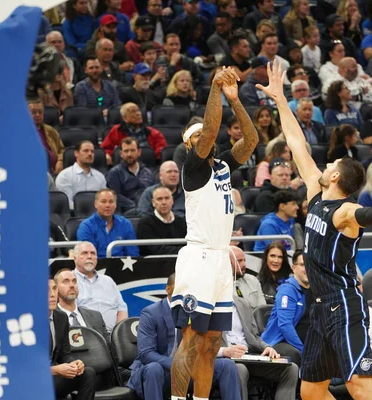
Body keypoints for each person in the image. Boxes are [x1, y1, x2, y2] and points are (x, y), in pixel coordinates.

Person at [256, 59, 372, 400]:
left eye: (330, 164)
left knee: (359, 384)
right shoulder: (316, 195)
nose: (324, 163)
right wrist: (281, 101)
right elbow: (297, 144)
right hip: (319, 307)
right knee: (312, 392)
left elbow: (368, 215)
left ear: (334, 177)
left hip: (343, 305)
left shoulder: (344, 211)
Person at [169, 67, 259, 400]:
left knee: (211, 342)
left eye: (204, 137)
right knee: (191, 339)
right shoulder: (192, 168)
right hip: (199, 255)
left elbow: (251, 141)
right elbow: (209, 130)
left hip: (221, 257)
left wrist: (234, 99)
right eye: (196, 138)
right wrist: (215, 87)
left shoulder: (222, 167)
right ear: (190, 146)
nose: (205, 140)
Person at [127, 273, 242, 400]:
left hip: (193, 368)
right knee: (153, 369)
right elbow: (146, 353)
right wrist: (178, 366)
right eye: (181, 287)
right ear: (168, 289)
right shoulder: (151, 313)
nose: (185, 292)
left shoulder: (198, 311)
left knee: (228, 366)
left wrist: (221, 352)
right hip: (163, 370)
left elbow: (205, 345)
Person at [48, 278, 97, 400]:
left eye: (54, 289)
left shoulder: (61, 317)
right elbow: (24, 367)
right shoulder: (27, 321)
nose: (52, 294)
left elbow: (65, 354)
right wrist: (56, 370)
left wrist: (74, 363)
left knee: (87, 373)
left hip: (53, 378)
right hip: (33, 380)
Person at [261, 252, 312, 366]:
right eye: (303, 265)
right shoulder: (288, 290)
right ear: (294, 268)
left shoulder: (316, 290)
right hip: (280, 342)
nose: (308, 269)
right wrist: (303, 350)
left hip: (307, 341)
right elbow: (285, 325)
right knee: (295, 354)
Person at [71, 241, 129, 331]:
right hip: (86, 335)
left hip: (112, 335)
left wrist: (119, 333)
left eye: (93, 253)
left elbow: (121, 309)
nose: (89, 256)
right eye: (85, 253)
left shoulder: (108, 281)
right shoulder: (69, 281)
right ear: (75, 258)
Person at [76, 189, 140, 258]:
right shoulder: (86, 226)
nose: (107, 205)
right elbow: (88, 256)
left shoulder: (125, 224)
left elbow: (133, 253)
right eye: (103, 202)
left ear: (115, 204)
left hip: (122, 265)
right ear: (95, 204)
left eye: (111, 202)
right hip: (97, 266)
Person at [54, 268, 110, 342]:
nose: (72, 285)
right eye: (66, 281)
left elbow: (108, 348)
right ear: (56, 288)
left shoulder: (96, 316)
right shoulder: (50, 320)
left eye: (74, 281)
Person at [106, 137, 157, 213]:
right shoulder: (114, 173)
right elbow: (115, 196)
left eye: (132, 150)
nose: (129, 154)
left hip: (148, 212)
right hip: (126, 213)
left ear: (139, 152)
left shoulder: (148, 173)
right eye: (126, 151)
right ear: (121, 154)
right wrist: (136, 206)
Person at [136, 186, 187, 256]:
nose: (164, 202)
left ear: (172, 201)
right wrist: (184, 251)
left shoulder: (182, 222)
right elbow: (156, 250)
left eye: (167, 198)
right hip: (153, 264)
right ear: (153, 203)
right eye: (159, 199)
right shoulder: (145, 223)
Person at [55, 141, 107, 209]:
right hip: (75, 216)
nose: (90, 154)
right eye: (86, 151)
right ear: (76, 153)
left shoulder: (100, 177)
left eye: (92, 151)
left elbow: (105, 201)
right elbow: (67, 203)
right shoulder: (64, 176)